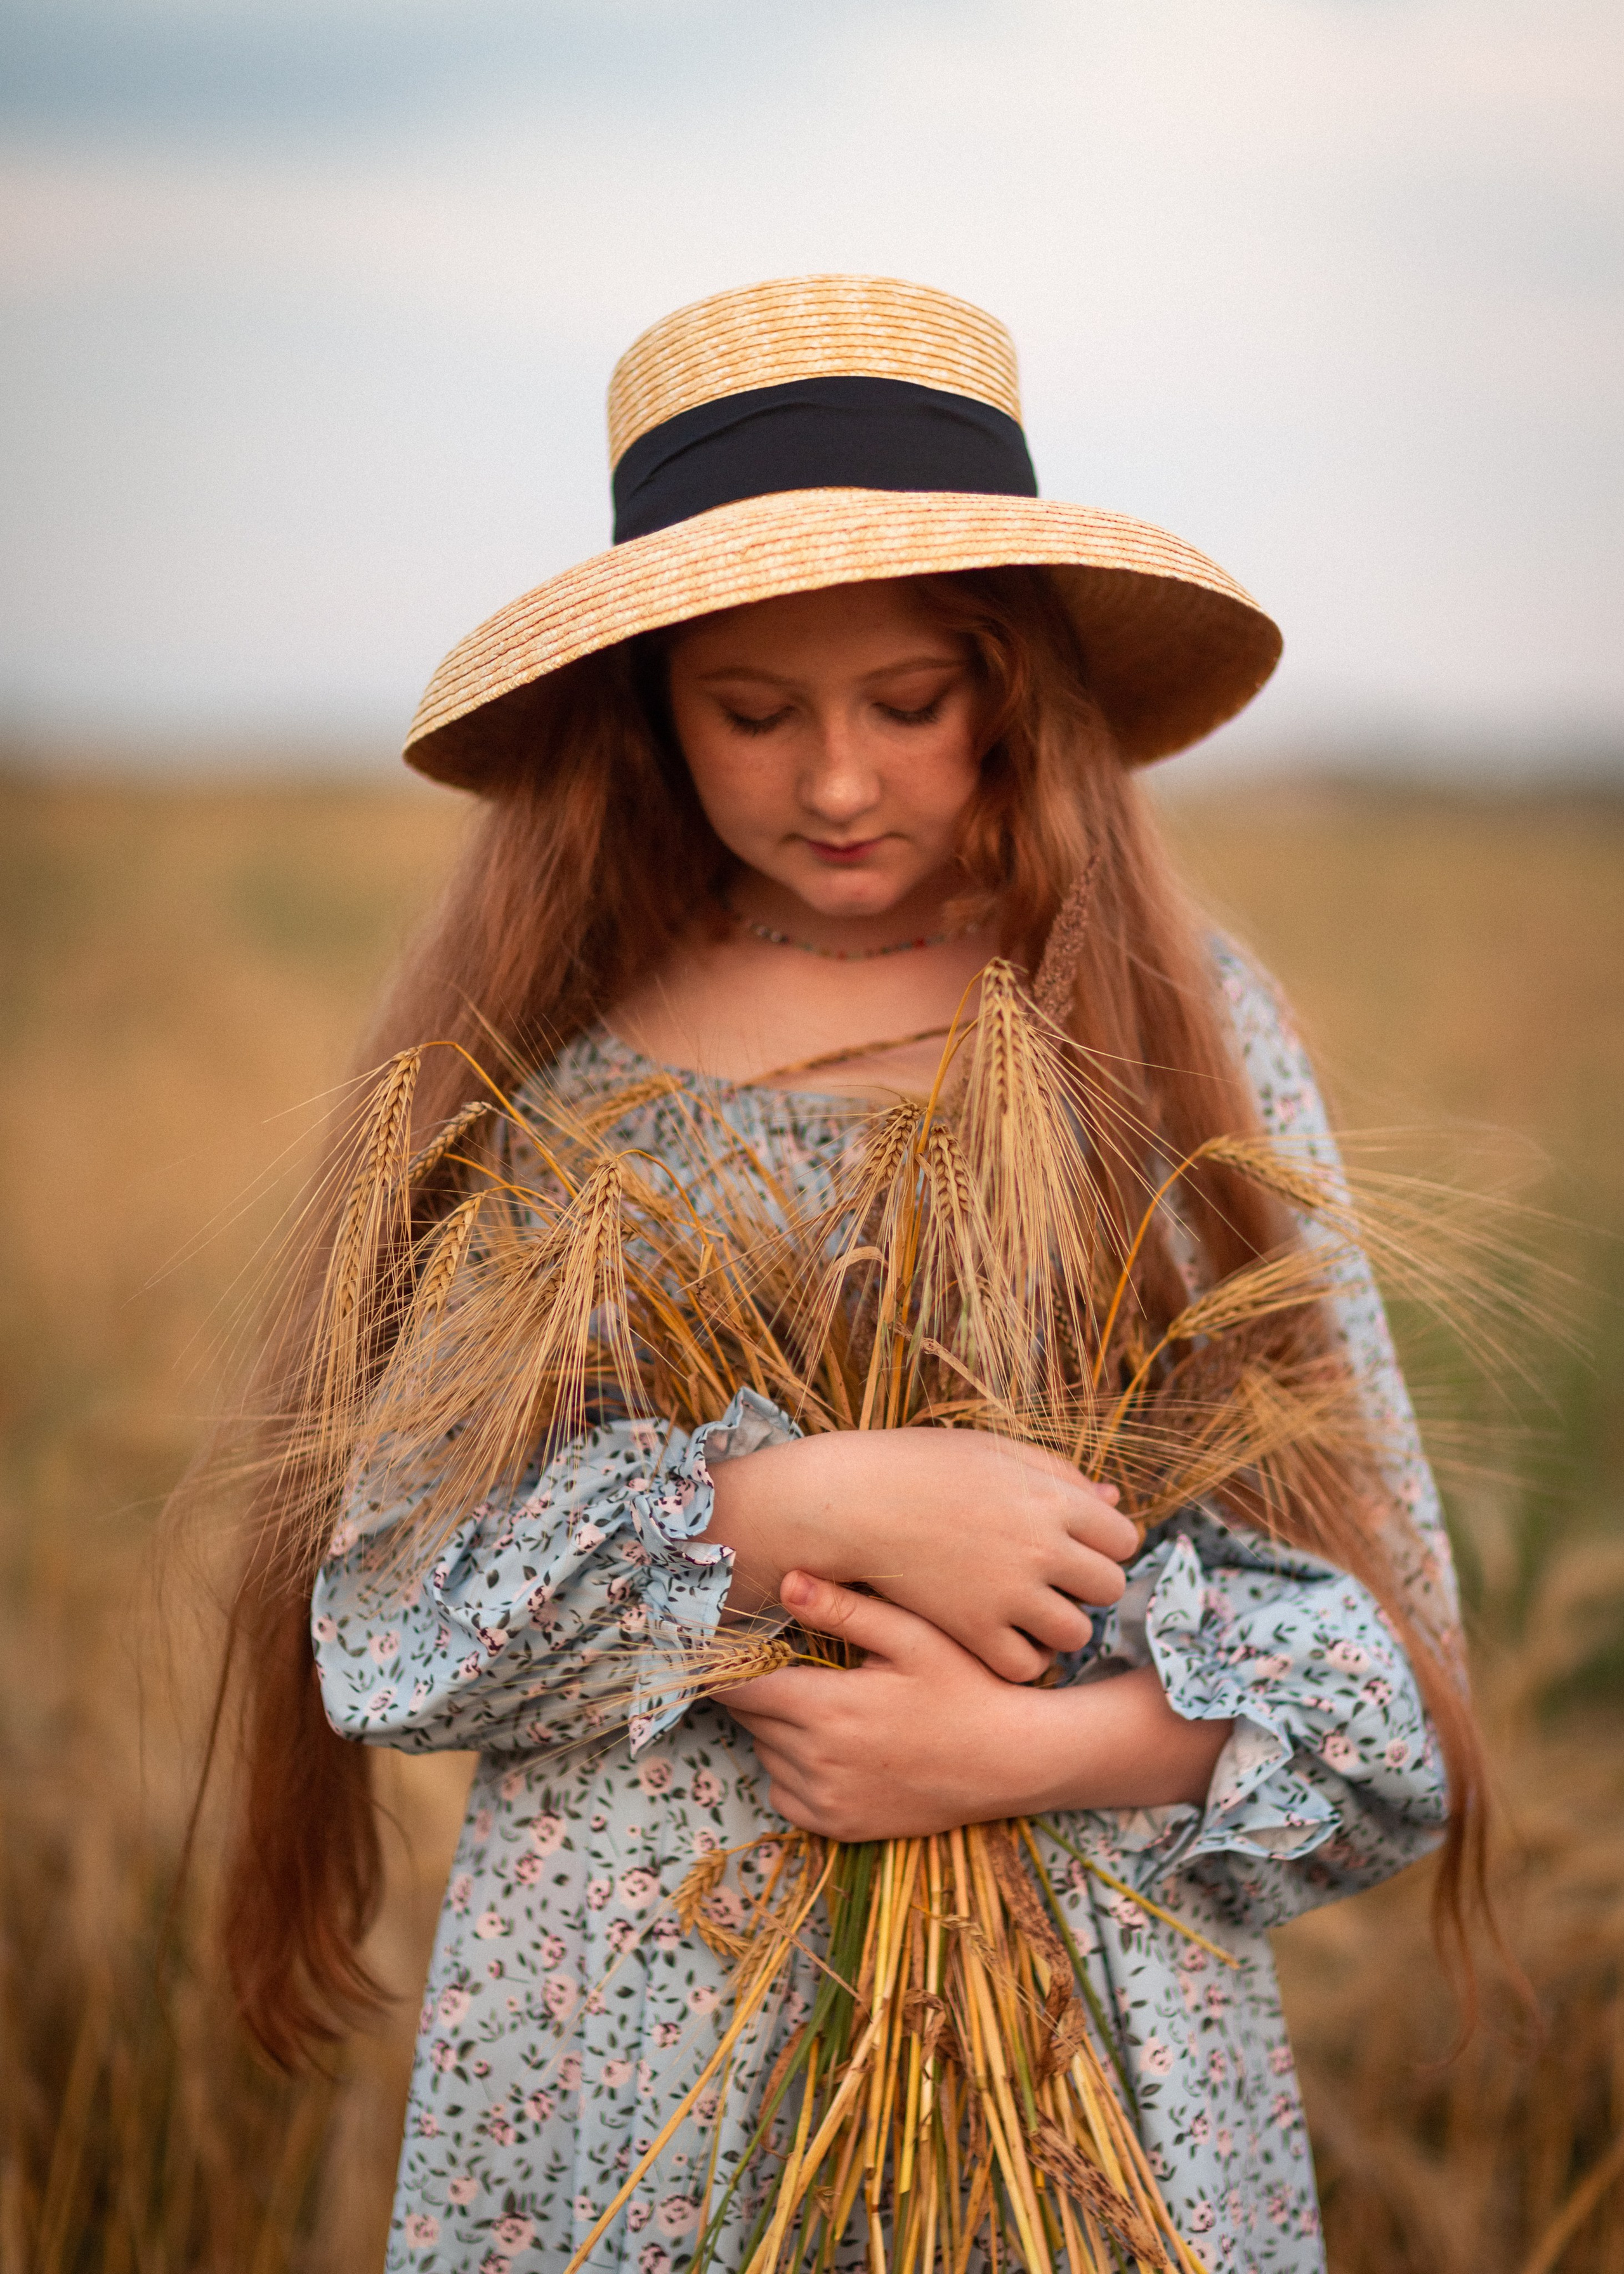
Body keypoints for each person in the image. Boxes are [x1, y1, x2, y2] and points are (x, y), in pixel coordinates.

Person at [223, 276, 1483, 2273]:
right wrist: (781, 1514)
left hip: (1075, 2100)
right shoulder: (554, 1073)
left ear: (1017, 684)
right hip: (624, 2094)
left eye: (909, 703)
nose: (835, 782)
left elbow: (1390, 1703)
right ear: (647, 702)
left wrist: (1030, 1749)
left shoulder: (1166, 1028)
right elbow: (387, 1623)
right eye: (754, 712)